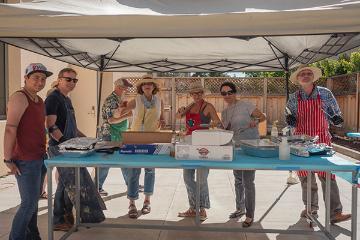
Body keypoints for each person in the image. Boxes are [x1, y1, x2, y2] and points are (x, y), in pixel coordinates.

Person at [285, 64, 351, 224]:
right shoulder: (294, 97)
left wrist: (337, 119)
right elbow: (288, 116)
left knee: (327, 176)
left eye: (309, 73)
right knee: (306, 178)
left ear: (313, 77)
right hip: (301, 140)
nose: (306, 76)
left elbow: (337, 115)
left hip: (321, 140)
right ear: (298, 79)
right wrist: (290, 119)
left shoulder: (325, 93)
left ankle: (335, 213)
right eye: (303, 74)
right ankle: (310, 209)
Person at [45, 68, 105, 231]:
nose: (72, 83)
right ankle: (59, 220)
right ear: (59, 79)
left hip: (72, 149)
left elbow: (74, 128)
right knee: (68, 183)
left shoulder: (67, 100)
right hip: (61, 149)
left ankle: (65, 218)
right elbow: (51, 125)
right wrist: (66, 143)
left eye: (74, 80)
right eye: (68, 79)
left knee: (67, 184)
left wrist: (89, 140)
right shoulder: (53, 98)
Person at [3, 63, 52, 240]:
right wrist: (8, 159)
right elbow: (10, 128)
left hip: (39, 157)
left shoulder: (39, 100)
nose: (40, 82)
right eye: (36, 77)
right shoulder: (19, 97)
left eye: (43, 79)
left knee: (34, 203)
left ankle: (32, 236)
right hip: (25, 159)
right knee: (28, 203)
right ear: (26, 78)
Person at [220, 82, 265, 227]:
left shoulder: (246, 105)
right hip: (236, 148)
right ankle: (240, 209)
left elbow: (262, 117)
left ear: (235, 92)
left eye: (229, 92)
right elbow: (226, 130)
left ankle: (250, 215)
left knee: (248, 182)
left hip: (250, 147)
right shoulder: (225, 112)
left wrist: (255, 121)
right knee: (238, 180)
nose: (227, 95)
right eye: (224, 93)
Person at [120, 74, 165, 218]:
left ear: (154, 86)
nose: (147, 85)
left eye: (150, 83)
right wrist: (122, 108)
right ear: (141, 87)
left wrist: (162, 121)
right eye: (144, 83)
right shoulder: (136, 100)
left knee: (150, 170)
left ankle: (147, 201)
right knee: (134, 171)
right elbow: (123, 111)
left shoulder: (159, 101)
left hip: (152, 139)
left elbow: (161, 117)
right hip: (135, 139)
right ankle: (132, 203)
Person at [176, 81, 221, 221]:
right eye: (194, 93)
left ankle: (202, 209)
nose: (196, 95)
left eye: (199, 93)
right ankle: (193, 207)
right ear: (191, 94)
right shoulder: (189, 106)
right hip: (189, 144)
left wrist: (212, 124)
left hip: (204, 145)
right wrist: (179, 111)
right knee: (188, 178)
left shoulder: (208, 106)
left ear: (202, 94)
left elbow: (218, 122)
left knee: (201, 179)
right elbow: (178, 117)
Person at [98, 77, 133, 196]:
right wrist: (128, 115)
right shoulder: (111, 100)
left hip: (116, 134)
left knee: (123, 160)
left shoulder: (118, 98)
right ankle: (97, 186)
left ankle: (131, 184)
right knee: (105, 162)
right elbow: (112, 120)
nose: (127, 90)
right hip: (110, 135)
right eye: (125, 88)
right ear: (119, 87)